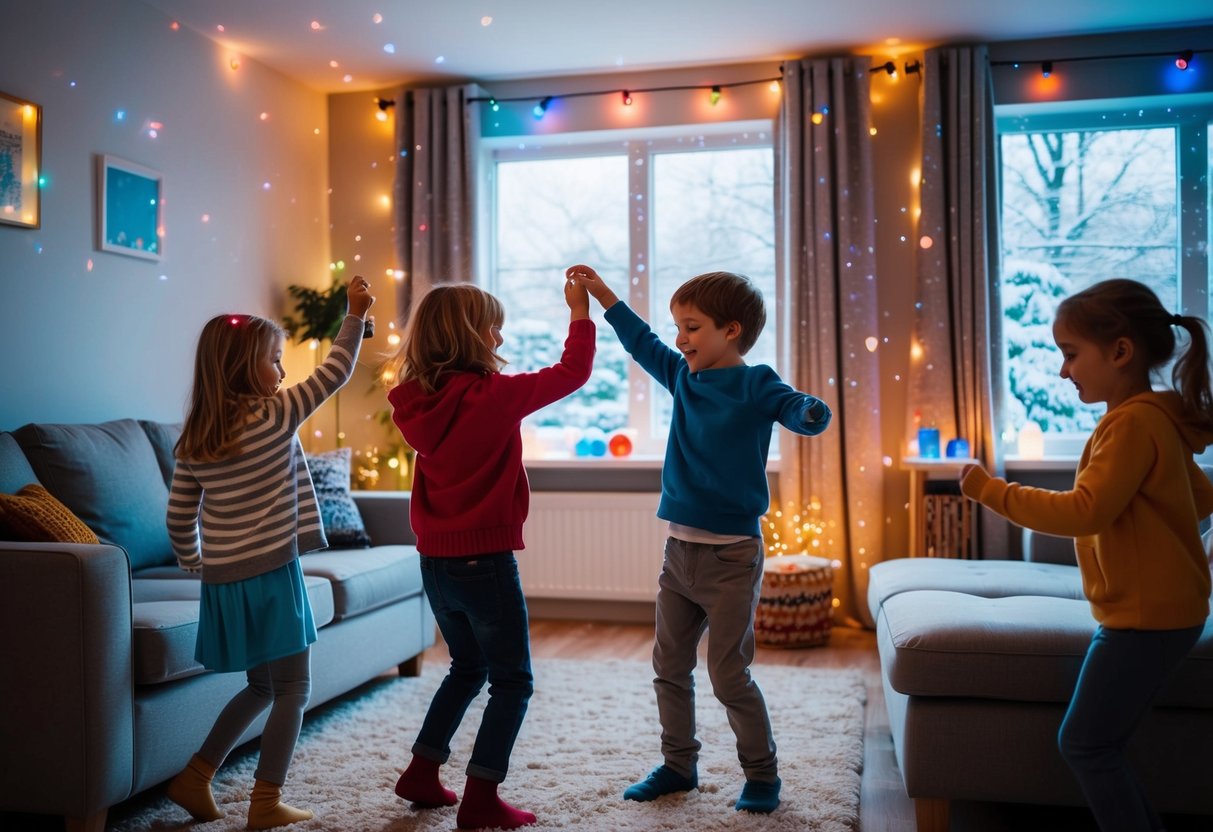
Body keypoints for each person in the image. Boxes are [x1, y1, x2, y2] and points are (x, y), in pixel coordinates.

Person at [568, 264, 831, 814]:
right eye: (678, 328)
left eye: (691, 327)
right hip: (679, 554)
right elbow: (641, 343)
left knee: (729, 673)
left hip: (733, 557)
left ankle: (762, 775)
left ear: (730, 330)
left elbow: (792, 406)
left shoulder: (755, 381)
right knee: (669, 668)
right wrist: (605, 297)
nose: (680, 339)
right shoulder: (683, 377)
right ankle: (678, 765)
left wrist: (808, 413)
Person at [958, 278, 1213, 832]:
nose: (1062, 371)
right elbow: (1199, 499)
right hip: (1159, 613)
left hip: (1146, 620)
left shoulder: (1133, 424)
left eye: (1071, 355)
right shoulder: (1154, 420)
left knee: (1085, 745)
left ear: (1120, 351)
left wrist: (990, 490)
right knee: (1096, 743)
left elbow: (1084, 511)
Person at [164, 276, 375, 830]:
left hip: (225, 582)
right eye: (274, 361)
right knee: (293, 689)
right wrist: (353, 316)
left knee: (261, 685)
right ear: (242, 367)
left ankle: (195, 777)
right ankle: (264, 803)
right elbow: (336, 372)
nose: (282, 372)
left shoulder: (195, 437)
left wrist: (195, 563)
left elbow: (178, 516)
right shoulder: (275, 414)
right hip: (274, 575)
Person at [384, 278, 594, 830]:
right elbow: (572, 374)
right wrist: (579, 313)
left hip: (436, 563)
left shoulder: (413, 402)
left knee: (467, 666)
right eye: (492, 324)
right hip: (486, 561)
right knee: (512, 680)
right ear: (470, 335)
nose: (499, 334)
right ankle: (481, 797)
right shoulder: (493, 396)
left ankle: (422, 771)